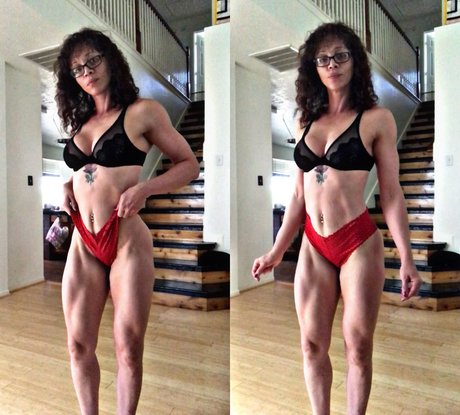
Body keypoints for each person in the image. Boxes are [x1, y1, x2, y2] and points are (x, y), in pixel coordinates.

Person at [252, 22, 422, 414]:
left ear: (354, 61)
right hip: (314, 245)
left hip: (357, 242)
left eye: (341, 56)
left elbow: (391, 194)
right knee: (311, 344)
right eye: (323, 58)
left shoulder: (377, 119)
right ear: (314, 67)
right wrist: (277, 250)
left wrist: (407, 257)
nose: (332, 64)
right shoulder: (303, 122)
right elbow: (299, 195)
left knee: (358, 346)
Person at [54, 28, 199, 414]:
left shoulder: (142, 111)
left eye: (93, 60)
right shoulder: (81, 122)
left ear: (110, 60)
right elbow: (88, 171)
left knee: (128, 347)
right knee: (77, 344)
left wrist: (146, 189)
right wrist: (67, 184)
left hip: (125, 240)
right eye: (78, 68)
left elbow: (188, 164)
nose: (87, 71)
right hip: (84, 241)